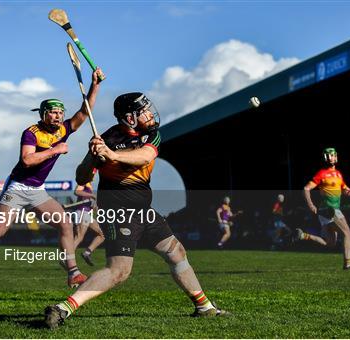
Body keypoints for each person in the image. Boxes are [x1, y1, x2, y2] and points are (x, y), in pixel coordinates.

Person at [44, 92, 228, 329]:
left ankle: (204, 307)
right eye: (143, 111)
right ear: (130, 118)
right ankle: (62, 309)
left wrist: (112, 155)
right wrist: (93, 159)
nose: (150, 114)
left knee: (176, 252)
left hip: (143, 209)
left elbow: (144, 157)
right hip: (118, 210)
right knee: (119, 270)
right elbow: (81, 176)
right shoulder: (107, 138)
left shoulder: (151, 134)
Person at [0, 69, 103, 287]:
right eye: (53, 112)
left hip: (37, 191)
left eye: (61, 112)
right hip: (17, 188)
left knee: (65, 224)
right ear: (43, 114)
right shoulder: (31, 132)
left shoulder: (63, 129)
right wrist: (55, 150)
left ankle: (72, 272)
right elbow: (27, 160)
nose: (58, 116)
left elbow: (84, 112)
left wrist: (95, 85)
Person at [294, 147, 350, 269]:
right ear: (325, 157)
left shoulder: (338, 174)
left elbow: (345, 188)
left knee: (330, 243)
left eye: (333, 155)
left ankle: (304, 236)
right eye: (329, 155)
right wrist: (311, 205)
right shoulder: (322, 173)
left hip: (326, 212)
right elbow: (306, 189)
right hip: (329, 209)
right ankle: (348, 264)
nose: (331, 157)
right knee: (347, 233)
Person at [72, 181, 105, 266]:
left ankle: (87, 253)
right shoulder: (83, 181)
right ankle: (66, 258)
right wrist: (92, 195)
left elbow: (87, 201)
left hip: (87, 213)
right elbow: (77, 191)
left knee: (102, 235)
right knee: (79, 237)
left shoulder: (89, 185)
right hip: (81, 212)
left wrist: (94, 206)